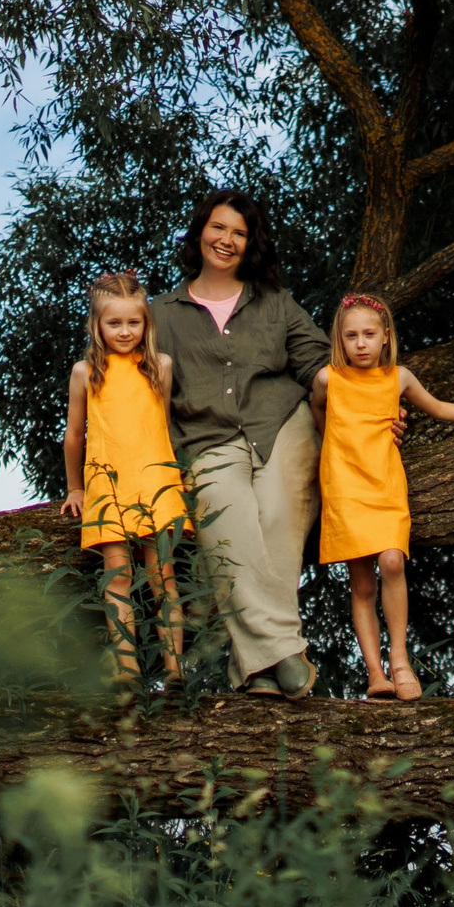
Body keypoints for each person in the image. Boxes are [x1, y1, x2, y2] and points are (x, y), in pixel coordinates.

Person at [150, 192, 331, 696]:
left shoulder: (276, 303)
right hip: (205, 439)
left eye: (239, 233)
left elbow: (317, 363)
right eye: (218, 228)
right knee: (225, 526)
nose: (226, 240)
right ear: (199, 231)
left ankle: (252, 667)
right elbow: (131, 385)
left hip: (283, 425)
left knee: (275, 518)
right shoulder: (159, 315)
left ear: (250, 244)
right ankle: (282, 653)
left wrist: (371, 402)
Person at [311, 293, 454, 701]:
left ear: (385, 336)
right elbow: (318, 413)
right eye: (351, 336)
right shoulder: (328, 379)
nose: (360, 343)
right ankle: (375, 674)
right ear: (339, 340)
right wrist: (333, 444)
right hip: (344, 484)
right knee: (360, 583)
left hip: (385, 481)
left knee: (392, 560)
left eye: (368, 334)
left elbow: (439, 407)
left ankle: (400, 658)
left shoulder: (399, 377)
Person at [57, 271, 186, 683]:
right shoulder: (85, 372)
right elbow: (73, 435)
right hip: (106, 482)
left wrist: (177, 476)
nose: (125, 331)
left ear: (147, 323)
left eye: (134, 322)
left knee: (162, 577)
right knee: (118, 576)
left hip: (154, 480)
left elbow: (161, 426)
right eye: (114, 323)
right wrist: (75, 486)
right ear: (97, 325)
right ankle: (128, 670)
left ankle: (174, 668)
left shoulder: (159, 366)